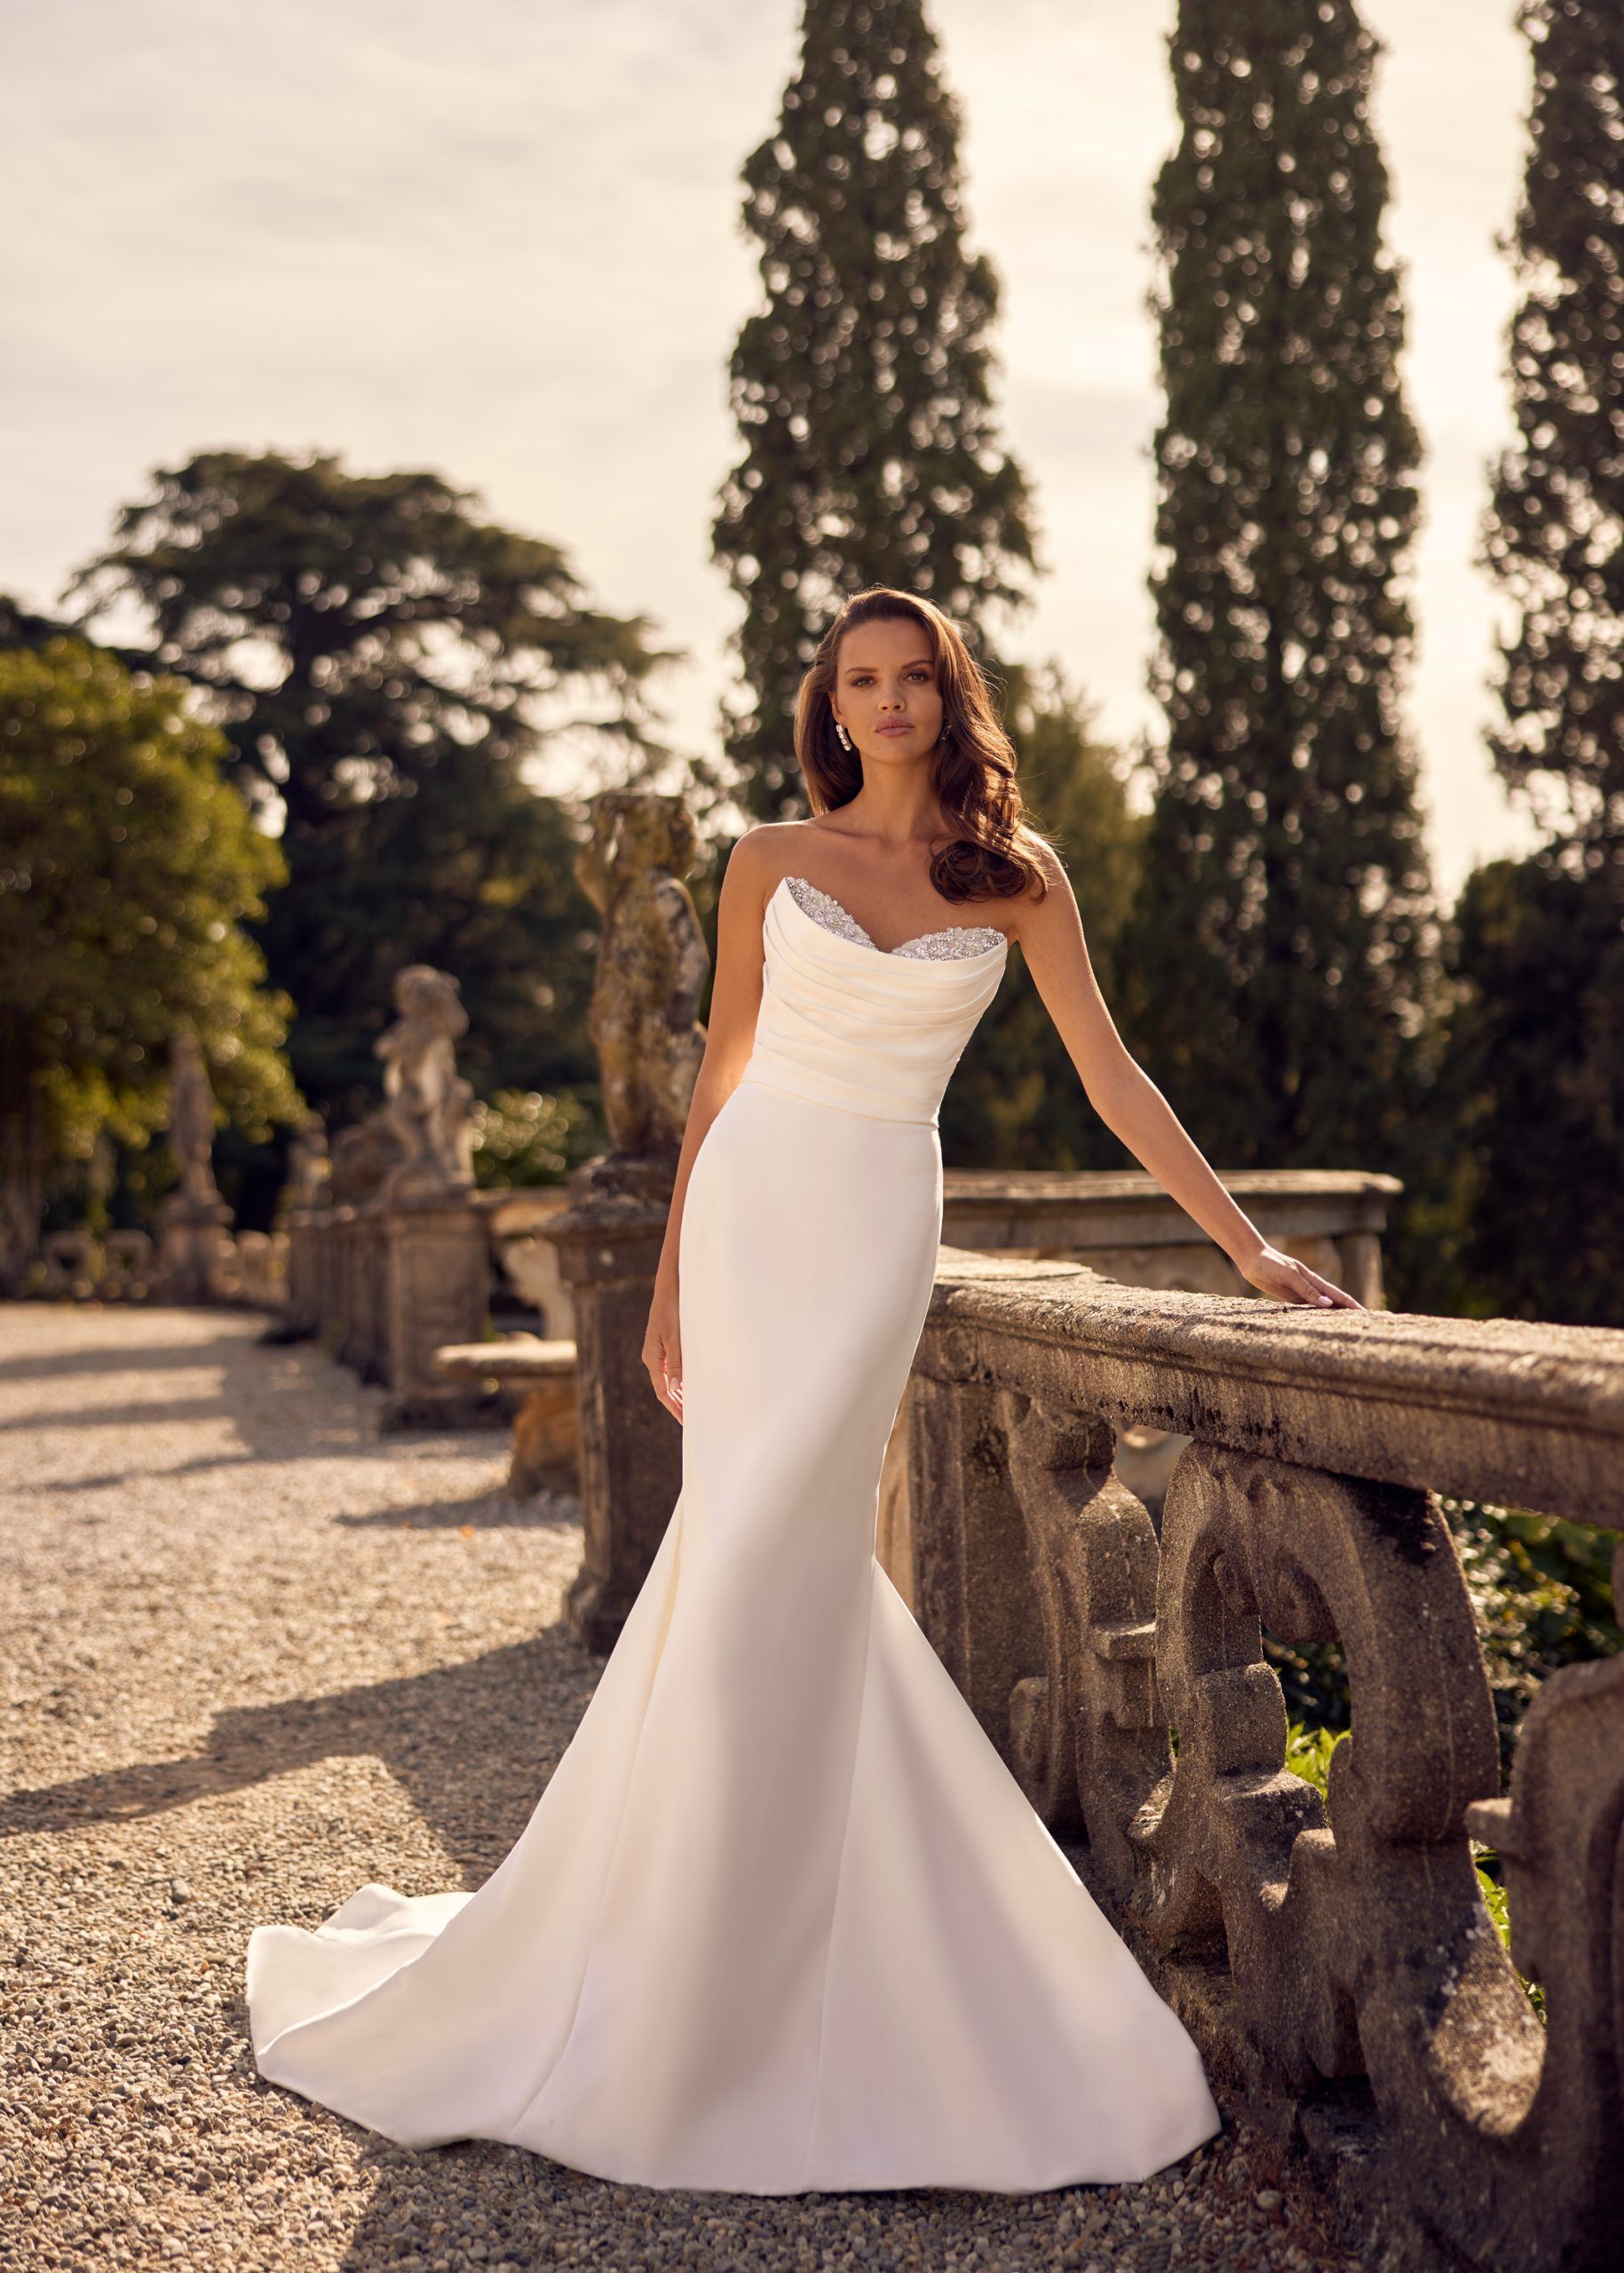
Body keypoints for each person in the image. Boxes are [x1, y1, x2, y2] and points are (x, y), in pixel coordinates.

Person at [246, 587, 1365, 2197]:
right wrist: (678, 1279)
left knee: (788, 1557)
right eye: (864, 680)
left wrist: (1245, 1247)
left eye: (917, 678)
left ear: (949, 696)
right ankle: (692, 1953)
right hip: (764, 1208)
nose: (891, 701)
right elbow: (717, 1076)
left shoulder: (1015, 878)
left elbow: (1110, 1076)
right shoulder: (765, 861)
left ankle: (784, 1946)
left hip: (871, 1229)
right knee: (751, 1553)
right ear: (829, 706)